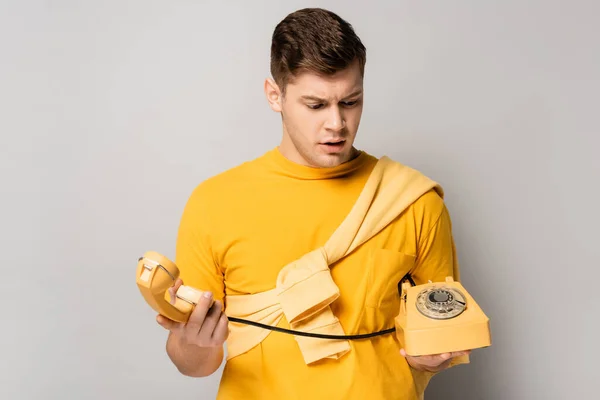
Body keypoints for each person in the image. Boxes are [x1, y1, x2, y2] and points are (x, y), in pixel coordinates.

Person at [156, 7, 471, 400]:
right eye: (316, 105)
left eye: (350, 102)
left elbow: (443, 330)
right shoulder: (214, 202)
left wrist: (432, 353)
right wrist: (194, 344)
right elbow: (196, 364)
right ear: (276, 95)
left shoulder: (413, 200)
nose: (336, 124)